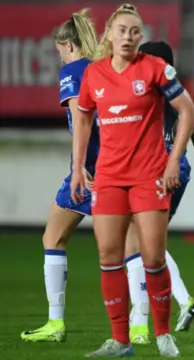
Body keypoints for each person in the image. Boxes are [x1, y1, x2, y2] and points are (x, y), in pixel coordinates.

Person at [72, 4, 194, 357]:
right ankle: (120, 341)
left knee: (153, 257)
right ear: (109, 34)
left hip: (149, 176)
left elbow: (187, 111)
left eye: (135, 32)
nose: (128, 37)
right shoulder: (93, 75)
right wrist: (79, 167)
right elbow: (82, 120)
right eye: (122, 30)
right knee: (109, 256)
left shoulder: (156, 68)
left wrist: (173, 162)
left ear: (141, 37)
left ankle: (162, 334)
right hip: (110, 177)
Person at [122, 40, 194, 345]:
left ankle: (141, 322)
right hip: (179, 171)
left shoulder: (148, 90)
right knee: (150, 242)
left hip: (158, 171)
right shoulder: (180, 92)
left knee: (135, 242)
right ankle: (179, 303)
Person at [20, 8, 100, 343]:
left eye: (59, 51)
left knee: (53, 239)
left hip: (89, 171)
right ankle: (142, 325)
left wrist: (78, 166)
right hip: (114, 167)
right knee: (135, 250)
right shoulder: (101, 69)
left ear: (68, 45)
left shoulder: (74, 71)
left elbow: (80, 118)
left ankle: (56, 324)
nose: (60, 58)